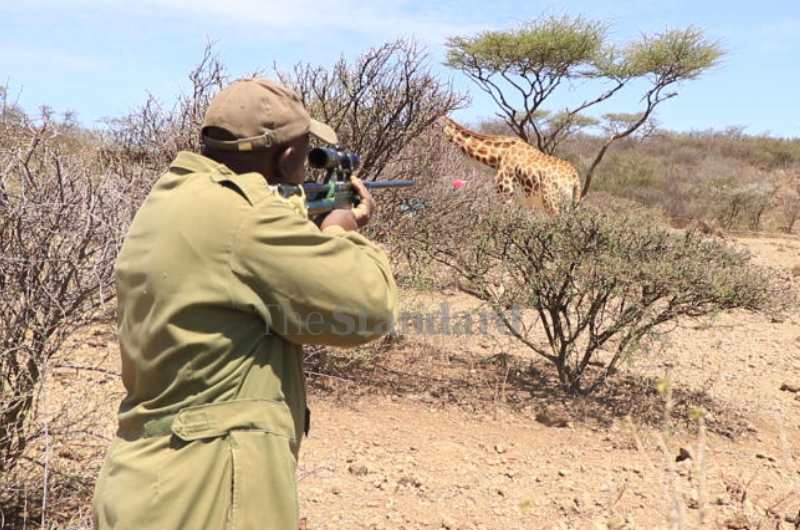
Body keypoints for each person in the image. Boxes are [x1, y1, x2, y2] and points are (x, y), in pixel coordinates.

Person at [92, 77, 398, 530]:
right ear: (289, 155)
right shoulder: (248, 219)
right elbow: (369, 309)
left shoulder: (177, 196)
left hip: (147, 479)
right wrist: (339, 232)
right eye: (304, 150)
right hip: (205, 493)